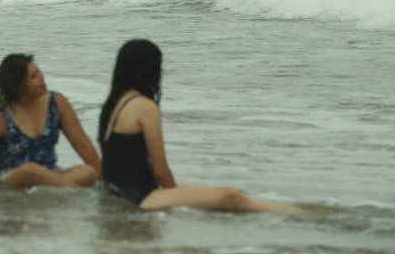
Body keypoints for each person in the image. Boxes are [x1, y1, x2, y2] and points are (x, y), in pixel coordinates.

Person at [99, 39, 296, 212]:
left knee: (213, 193)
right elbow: (161, 170)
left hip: (118, 191)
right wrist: (175, 199)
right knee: (232, 197)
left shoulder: (116, 103)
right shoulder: (145, 107)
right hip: (140, 197)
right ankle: (295, 214)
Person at [0, 54, 101, 189]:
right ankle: (72, 191)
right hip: (9, 181)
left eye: (39, 72)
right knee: (30, 170)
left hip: (50, 176)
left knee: (88, 172)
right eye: (33, 76)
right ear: (18, 88)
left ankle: (60, 189)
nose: (42, 77)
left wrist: (108, 184)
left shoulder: (57, 103)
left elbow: (84, 146)